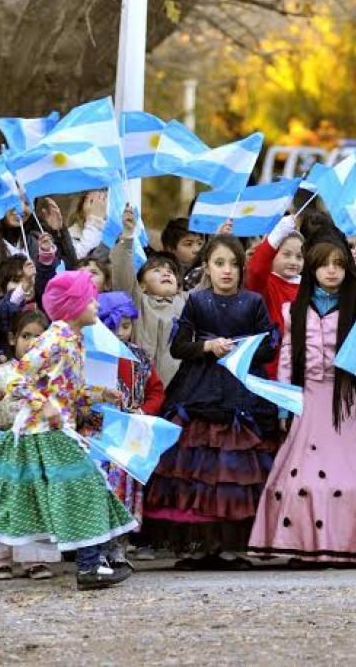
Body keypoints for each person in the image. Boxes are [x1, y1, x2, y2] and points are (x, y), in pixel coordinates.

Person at [0, 271, 135, 594]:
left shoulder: (74, 340)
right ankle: (89, 566)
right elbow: (18, 380)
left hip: (48, 431)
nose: (96, 303)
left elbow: (69, 391)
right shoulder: (55, 338)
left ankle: (90, 565)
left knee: (6, 499)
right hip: (41, 433)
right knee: (83, 488)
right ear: (74, 305)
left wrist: (99, 394)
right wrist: (46, 405)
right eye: (89, 298)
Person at [248, 242, 356, 564]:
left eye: (339, 265)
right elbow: (287, 359)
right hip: (308, 401)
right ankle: (305, 545)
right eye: (325, 264)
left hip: (346, 403)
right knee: (301, 481)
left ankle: (353, 544)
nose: (332, 271)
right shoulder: (292, 310)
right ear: (311, 269)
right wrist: (285, 405)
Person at [142, 236, 280, 570]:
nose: (227, 271)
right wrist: (206, 347)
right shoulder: (197, 302)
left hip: (241, 390)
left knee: (236, 469)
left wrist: (240, 347)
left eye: (234, 264)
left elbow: (270, 346)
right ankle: (199, 545)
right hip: (199, 389)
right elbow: (179, 347)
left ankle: (232, 546)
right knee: (198, 469)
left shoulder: (253, 302)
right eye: (220, 263)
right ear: (207, 267)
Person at [0, 310, 57, 581]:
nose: (31, 343)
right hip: (8, 447)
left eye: (39, 337)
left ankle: (35, 559)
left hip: (39, 447)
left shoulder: (50, 376)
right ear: (12, 338)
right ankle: (0, 558)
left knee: (37, 504)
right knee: (4, 504)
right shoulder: (2, 373)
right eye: (25, 336)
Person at [77, 291, 166, 565]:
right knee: (97, 491)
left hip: (128, 437)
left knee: (125, 491)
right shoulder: (86, 355)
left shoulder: (139, 357)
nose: (120, 333)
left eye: (126, 326)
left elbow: (156, 391)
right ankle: (95, 550)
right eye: (113, 326)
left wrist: (143, 411)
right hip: (96, 437)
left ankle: (119, 547)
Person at [112, 204, 187, 386]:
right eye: (157, 270)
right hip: (143, 388)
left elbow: (210, 283)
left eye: (171, 271)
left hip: (181, 392)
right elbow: (123, 276)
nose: (166, 273)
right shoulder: (138, 303)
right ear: (142, 285)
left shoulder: (187, 301)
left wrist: (221, 238)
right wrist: (128, 236)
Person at [245, 215, 304, 379]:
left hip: (303, 371)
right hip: (271, 371)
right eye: (286, 254)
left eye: (299, 257)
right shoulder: (267, 283)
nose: (293, 261)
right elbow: (255, 271)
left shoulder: (308, 286)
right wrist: (274, 239)